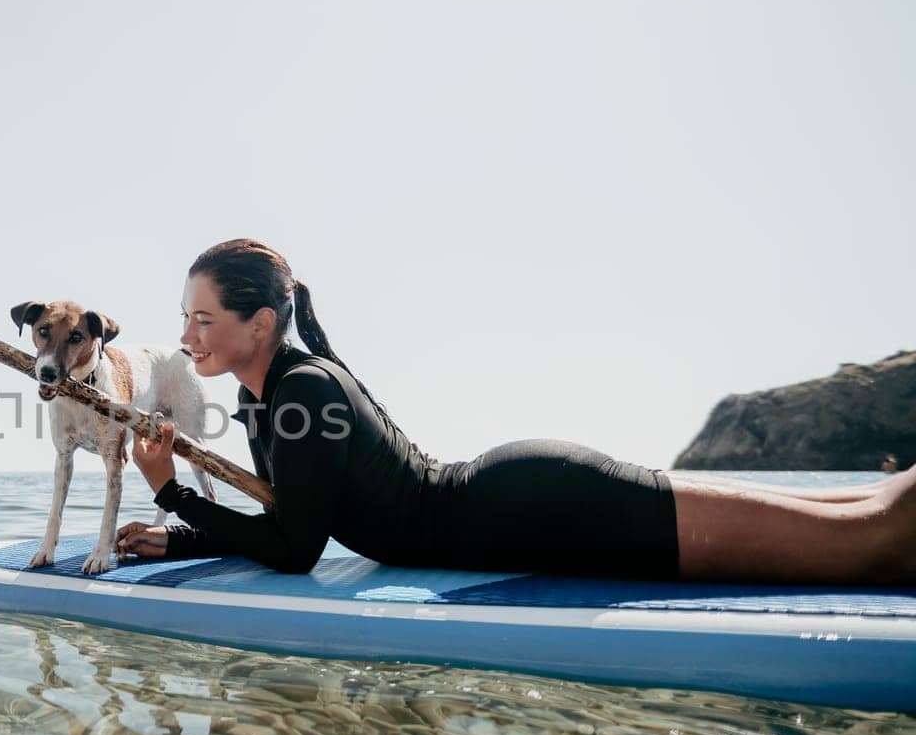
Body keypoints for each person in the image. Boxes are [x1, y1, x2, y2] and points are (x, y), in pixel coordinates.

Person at [114, 239, 916, 585]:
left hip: (539, 507)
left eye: (202, 318)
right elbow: (297, 513)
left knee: (869, 543)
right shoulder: (269, 397)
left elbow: (297, 549)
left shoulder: (304, 390)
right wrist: (182, 534)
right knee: (870, 512)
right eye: (182, 317)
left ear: (259, 323)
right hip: (523, 501)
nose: (184, 337)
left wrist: (171, 491)